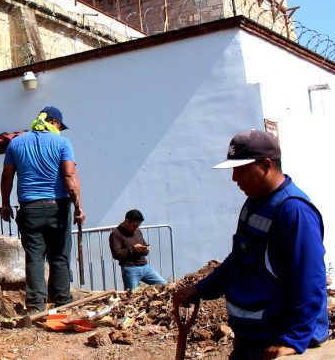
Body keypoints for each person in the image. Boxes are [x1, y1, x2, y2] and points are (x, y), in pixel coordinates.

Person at [173, 130, 328, 359]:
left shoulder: (294, 211)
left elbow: (310, 278)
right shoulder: (253, 204)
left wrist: (294, 339)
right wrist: (201, 289)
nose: (234, 178)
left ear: (266, 165)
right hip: (251, 339)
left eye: (242, 169)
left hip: (278, 341)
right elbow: (239, 259)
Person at [0, 106, 85, 314]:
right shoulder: (62, 143)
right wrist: (78, 207)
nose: (60, 130)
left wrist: (5, 203)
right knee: (59, 255)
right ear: (54, 122)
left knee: (35, 257)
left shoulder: (16, 143)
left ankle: (36, 306)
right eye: (60, 126)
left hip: (30, 209)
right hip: (58, 206)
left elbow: (7, 177)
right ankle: (62, 301)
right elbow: (69, 177)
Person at [109, 209, 167, 291]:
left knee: (164, 286)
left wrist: (144, 249)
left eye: (138, 226)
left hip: (145, 267)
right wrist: (133, 249)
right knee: (132, 295)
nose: (136, 228)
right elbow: (116, 254)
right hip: (130, 268)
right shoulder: (115, 234)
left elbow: (145, 249)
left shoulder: (137, 230)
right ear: (127, 221)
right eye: (134, 226)